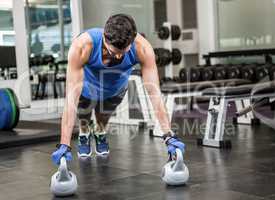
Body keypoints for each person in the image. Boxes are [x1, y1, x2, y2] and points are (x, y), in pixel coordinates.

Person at [51, 14, 185, 165]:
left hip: (115, 89)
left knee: (103, 118)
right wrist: (64, 144)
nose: (119, 55)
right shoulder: (82, 46)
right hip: (87, 88)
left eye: (124, 51)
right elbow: (71, 99)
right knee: (84, 118)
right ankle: (84, 133)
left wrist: (169, 135)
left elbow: (154, 93)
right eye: (113, 52)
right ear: (104, 37)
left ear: (133, 39)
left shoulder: (143, 48)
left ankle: (100, 132)